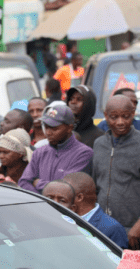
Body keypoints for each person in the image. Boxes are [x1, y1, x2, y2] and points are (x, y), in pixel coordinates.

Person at [92, 95, 140, 249]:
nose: (120, 122)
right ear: (105, 116)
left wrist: (138, 226)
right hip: (103, 228)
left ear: (133, 114)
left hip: (132, 230)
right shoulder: (99, 144)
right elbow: (95, 185)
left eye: (126, 116)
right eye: (114, 117)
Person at [19, 104, 93, 193]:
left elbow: (66, 189)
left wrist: (38, 183)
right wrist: (41, 200)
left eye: (54, 128)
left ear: (69, 128)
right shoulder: (39, 152)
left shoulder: (84, 153)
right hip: (39, 206)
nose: (48, 132)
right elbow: (23, 182)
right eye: (46, 127)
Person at [63, 172, 129, 249]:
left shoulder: (112, 228)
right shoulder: (62, 219)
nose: (56, 202)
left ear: (79, 197)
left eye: (62, 197)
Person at [0, 109, 33, 174]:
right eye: (3, 120)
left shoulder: (33, 154)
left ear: (20, 128)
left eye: (7, 122)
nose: (1, 124)